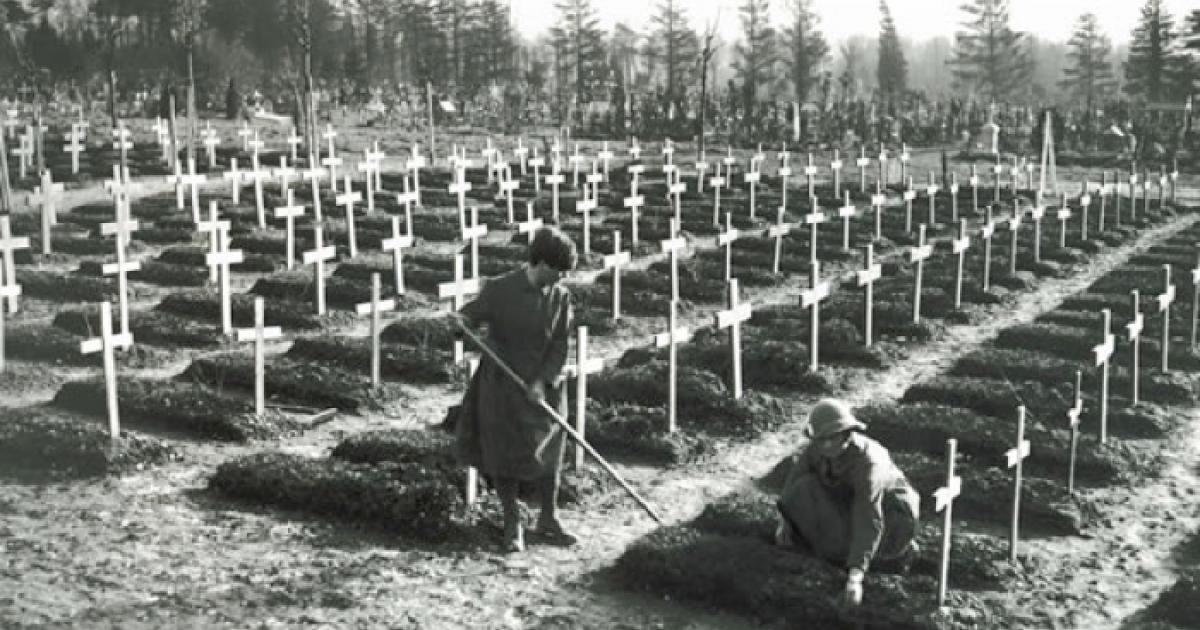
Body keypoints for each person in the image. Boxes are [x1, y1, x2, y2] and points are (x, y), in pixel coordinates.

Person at [455, 226, 579, 553]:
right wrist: (461, 324)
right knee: (504, 454)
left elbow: (561, 344)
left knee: (550, 454)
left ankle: (548, 518)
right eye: (559, 270)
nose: (562, 278)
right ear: (540, 263)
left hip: (544, 387)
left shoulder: (561, 297)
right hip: (503, 386)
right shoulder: (499, 290)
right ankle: (513, 523)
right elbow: (468, 318)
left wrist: (543, 381)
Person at [774, 398, 920, 607]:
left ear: (847, 433)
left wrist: (855, 578)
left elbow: (869, 516)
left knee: (842, 551)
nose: (825, 445)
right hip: (849, 501)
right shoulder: (819, 447)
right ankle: (843, 548)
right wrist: (785, 522)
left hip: (892, 516)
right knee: (803, 489)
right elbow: (793, 482)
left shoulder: (868, 464)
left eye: (831, 439)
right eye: (820, 439)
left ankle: (888, 557)